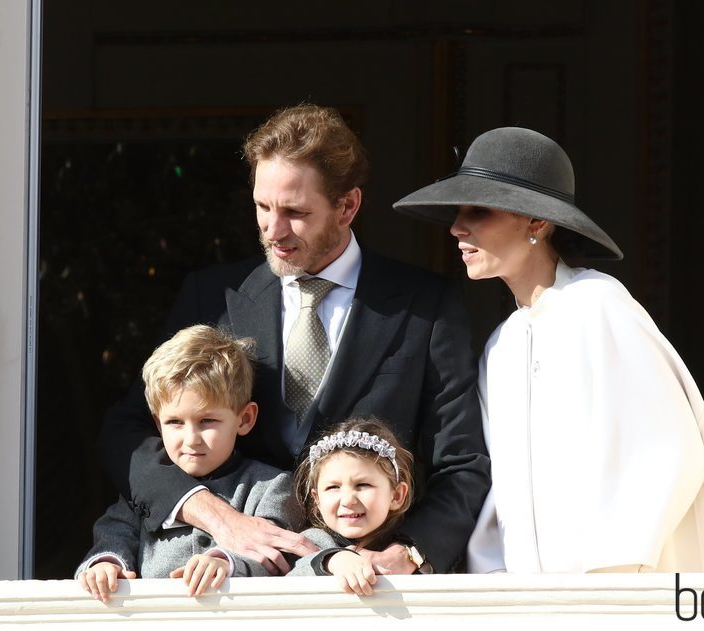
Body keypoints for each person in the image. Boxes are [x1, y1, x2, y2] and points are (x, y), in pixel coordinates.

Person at [98, 104, 490, 576]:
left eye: (294, 212)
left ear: (348, 206)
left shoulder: (425, 306)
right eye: (263, 207)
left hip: (369, 595)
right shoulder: (212, 296)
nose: (273, 230)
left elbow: (462, 462)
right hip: (224, 587)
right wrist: (216, 516)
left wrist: (408, 552)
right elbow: (129, 431)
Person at [393, 127, 704, 573]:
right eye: (459, 211)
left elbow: (671, 451)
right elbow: (502, 492)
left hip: (611, 598)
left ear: (537, 222)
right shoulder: (501, 346)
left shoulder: (598, 305)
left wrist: (610, 574)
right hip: (531, 604)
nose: (457, 226)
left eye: (478, 210)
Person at [77, 325, 304, 601]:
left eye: (207, 421)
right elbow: (114, 533)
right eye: (175, 422)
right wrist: (107, 565)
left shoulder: (272, 486)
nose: (191, 439)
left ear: (245, 419)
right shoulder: (142, 495)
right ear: (157, 424)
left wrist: (225, 562)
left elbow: (275, 553)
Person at [287, 418, 417, 595]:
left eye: (362, 485)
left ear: (396, 495)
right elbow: (290, 579)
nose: (348, 500)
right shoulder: (312, 541)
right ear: (317, 500)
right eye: (333, 487)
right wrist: (332, 559)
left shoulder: (406, 545)